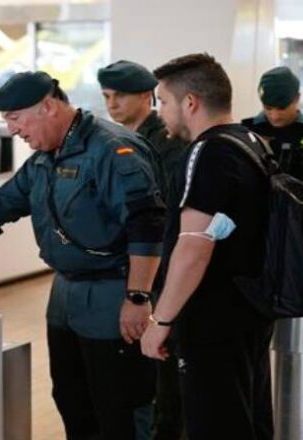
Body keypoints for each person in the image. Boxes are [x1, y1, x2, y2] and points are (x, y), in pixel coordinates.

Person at [0, 71, 166, 439]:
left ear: (48, 107)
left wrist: (138, 296)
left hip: (113, 294)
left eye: (15, 118)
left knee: (120, 407)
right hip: (65, 297)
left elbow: (147, 226)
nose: (11, 130)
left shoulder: (112, 149)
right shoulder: (43, 159)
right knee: (73, 400)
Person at [141, 53, 273, 440]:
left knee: (215, 424)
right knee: (247, 418)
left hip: (212, 320)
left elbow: (194, 247)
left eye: (162, 101)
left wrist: (160, 321)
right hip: (249, 311)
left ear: (191, 102)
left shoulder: (208, 151)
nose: (160, 111)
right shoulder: (251, 141)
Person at [98, 59, 186, 440]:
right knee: (130, 378)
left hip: (162, 275)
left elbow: (163, 215)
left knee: (163, 379)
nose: (112, 104)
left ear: (147, 97)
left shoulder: (168, 144)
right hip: (126, 272)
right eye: (106, 96)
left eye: (120, 95)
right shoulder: (113, 142)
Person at [241, 66, 303, 185]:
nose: (275, 116)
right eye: (268, 108)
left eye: (282, 108)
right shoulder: (246, 132)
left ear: (297, 98)